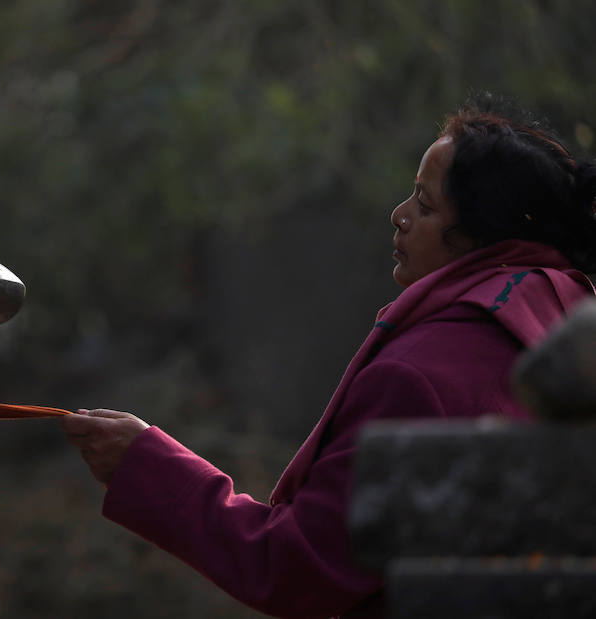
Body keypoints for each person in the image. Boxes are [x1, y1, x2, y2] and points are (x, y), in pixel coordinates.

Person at [61, 95, 596, 618]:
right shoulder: (560, 327)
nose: (400, 216)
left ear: (483, 238)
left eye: (426, 206)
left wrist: (146, 466)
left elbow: (294, 570)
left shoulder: (418, 374)